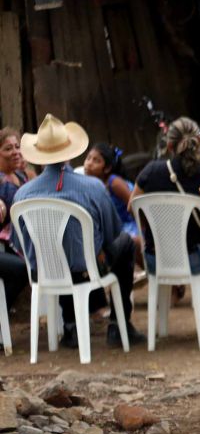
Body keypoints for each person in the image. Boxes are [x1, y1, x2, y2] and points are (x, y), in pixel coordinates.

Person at [12, 114, 143, 347]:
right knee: (125, 243)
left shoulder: (22, 195)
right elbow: (112, 232)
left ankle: (71, 326)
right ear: (71, 152)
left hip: (43, 271)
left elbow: (19, 243)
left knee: (58, 252)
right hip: (87, 269)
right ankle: (119, 324)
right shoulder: (93, 187)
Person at [129, 117, 200, 330]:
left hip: (157, 259)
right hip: (195, 260)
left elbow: (132, 207)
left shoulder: (150, 172)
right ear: (199, 141)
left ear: (170, 145)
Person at [83, 143, 139, 241]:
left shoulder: (114, 183)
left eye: (96, 161)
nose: (89, 163)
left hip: (130, 226)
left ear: (107, 168)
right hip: (113, 228)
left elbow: (135, 206)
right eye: (88, 158)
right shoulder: (88, 182)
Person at [0, 127, 29, 316]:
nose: (15, 152)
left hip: (21, 240)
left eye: (17, 147)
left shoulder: (20, 176)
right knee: (21, 269)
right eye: (8, 148)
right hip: (5, 244)